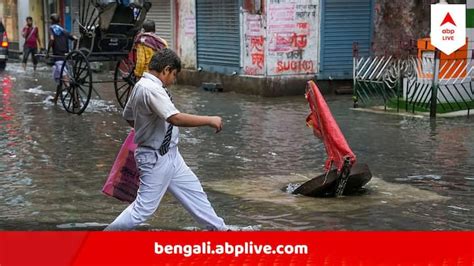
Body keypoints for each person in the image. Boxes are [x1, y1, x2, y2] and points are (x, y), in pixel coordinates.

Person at [105, 48, 228, 231]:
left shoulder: (141, 85)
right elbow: (174, 118)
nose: (174, 80)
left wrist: (146, 127)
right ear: (166, 70)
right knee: (143, 210)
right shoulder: (151, 89)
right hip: (155, 157)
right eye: (174, 75)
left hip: (170, 154)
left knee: (194, 192)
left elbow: (128, 116)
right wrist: (210, 120)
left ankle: (220, 231)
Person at [46, 13, 77, 104]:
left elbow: (51, 39)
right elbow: (75, 38)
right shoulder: (64, 30)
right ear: (59, 21)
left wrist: (48, 52)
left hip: (58, 57)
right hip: (66, 57)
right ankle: (55, 99)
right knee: (60, 80)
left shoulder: (51, 28)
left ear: (51, 21)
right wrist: (73, 51)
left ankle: (75, 100)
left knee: (65, 80)